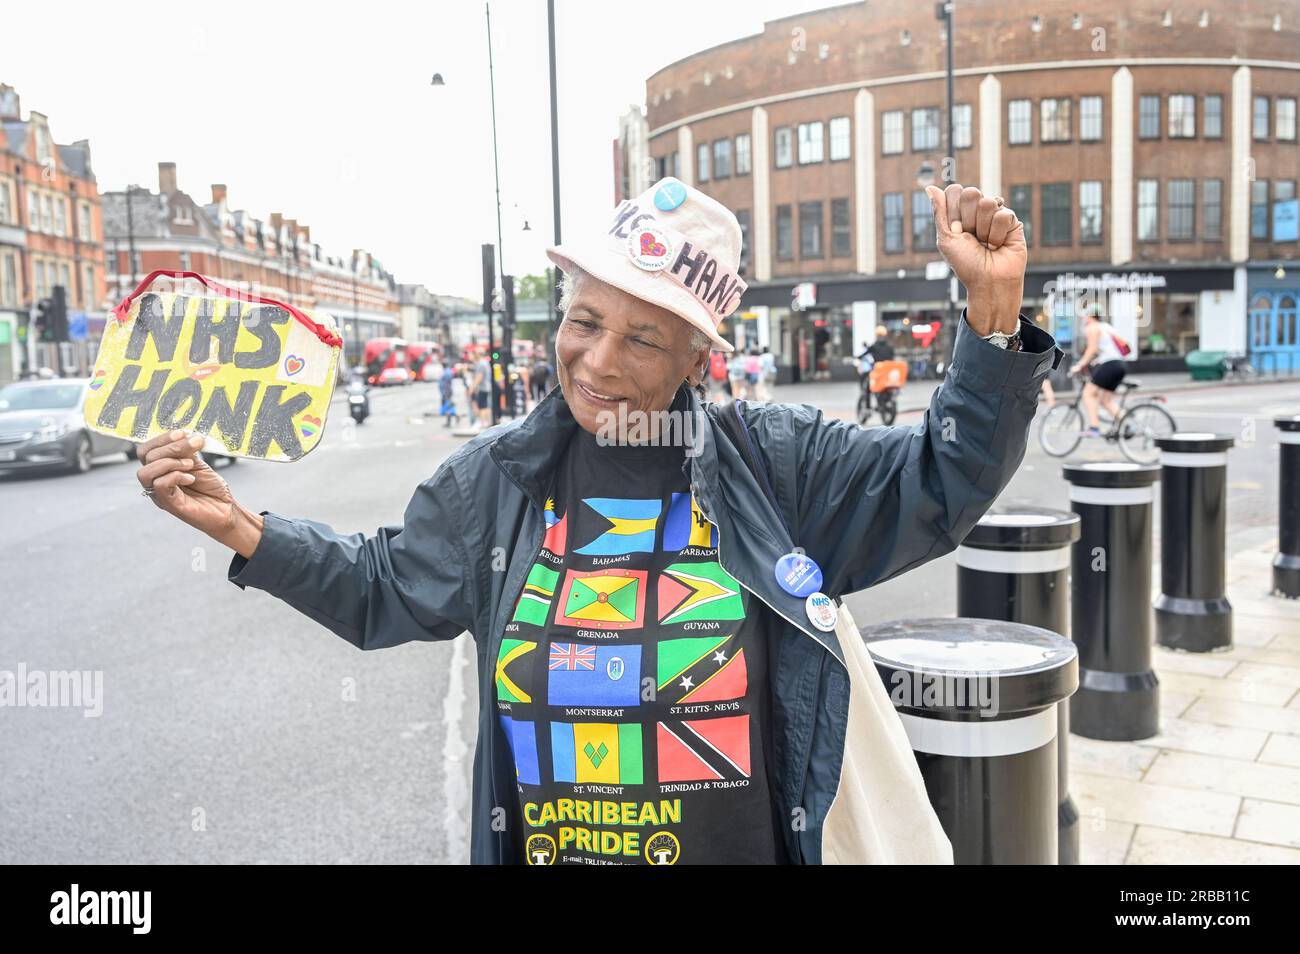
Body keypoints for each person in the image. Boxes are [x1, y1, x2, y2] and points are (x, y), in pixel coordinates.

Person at [134, 177, 1059, 865]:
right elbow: (384, 585)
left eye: (644, 336)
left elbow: (943, 478)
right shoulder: (496, 481)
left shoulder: (782, 467)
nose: (598, 360)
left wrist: (992, 314)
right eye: (584, 320)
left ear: (698, 355)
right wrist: (246, 530)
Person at [1068, 310, 1130, 435]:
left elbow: (1092, 349)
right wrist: (1095, 361)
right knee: (1106, 400)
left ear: (1090, 316)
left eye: (1085, 316)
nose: (1084, 319)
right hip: (1120, 365)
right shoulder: (1106, 327)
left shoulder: (1092, 327)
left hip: (1110, 364)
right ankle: (1129, 425)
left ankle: (1094, 428)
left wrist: (1079, 365)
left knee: (1088, 393)